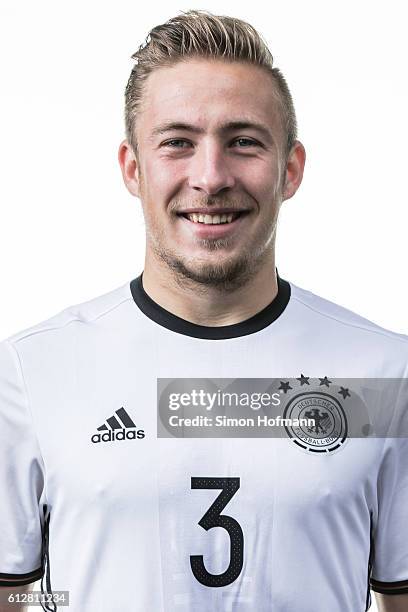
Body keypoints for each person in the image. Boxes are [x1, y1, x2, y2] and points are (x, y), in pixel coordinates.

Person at [0, 9, 407, 612]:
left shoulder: (381, 372)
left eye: (243, 141)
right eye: (178, 143)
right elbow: (18, 593)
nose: (210, 177)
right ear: (133, 169)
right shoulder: (33, 371)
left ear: (289, 170)